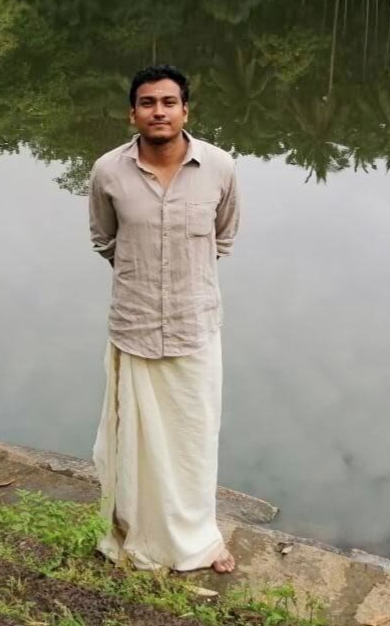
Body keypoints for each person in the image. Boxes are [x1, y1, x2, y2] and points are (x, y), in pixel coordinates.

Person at [88, 64, 240, 575]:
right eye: (148, 103)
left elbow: (223, 237)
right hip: (133, 327)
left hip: (195, 326)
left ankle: (201, 541)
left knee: (195, 440)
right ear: (132, 113)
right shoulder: (108, 172)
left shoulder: (219, 168)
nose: (159, 111)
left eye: (169, 102)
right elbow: (105, 239)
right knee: (135, 443)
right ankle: (134, 534)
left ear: (185, 111)